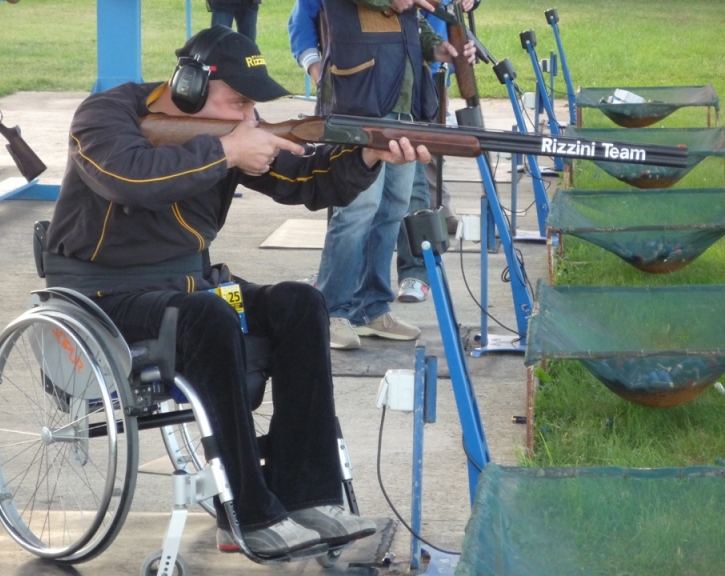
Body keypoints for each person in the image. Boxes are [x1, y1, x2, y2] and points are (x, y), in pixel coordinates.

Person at [44, 26, 430, 558]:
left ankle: (306, 496)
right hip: (104, 295)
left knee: (301, 302)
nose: (249, 116)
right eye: (239, 101)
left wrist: (365, 158)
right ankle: (247, 512)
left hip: (186, 288)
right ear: (189, 88)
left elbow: (306, 183)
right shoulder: (105, 115)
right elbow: (128, 177)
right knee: (207, 315)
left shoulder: (223, 135)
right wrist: (227, 150)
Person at [289, 0, 475, 349]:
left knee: (392, 208)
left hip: (402, 103)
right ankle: (331, 310)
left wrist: (437, 49)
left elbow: (412, 24)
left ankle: (371, 308)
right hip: (358, 101)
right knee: (358, 210)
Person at [395, 0, 475, 304]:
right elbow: (307, 18)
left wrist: (438, 47)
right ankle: (353, 291)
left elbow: (415, 19)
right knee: (360, 204)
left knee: (417, 180)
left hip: (421, 76)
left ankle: (415, 271)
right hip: (360, 87)